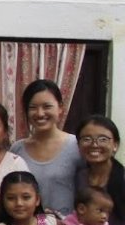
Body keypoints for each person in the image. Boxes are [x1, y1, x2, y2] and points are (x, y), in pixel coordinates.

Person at [10, 80, 81, 217]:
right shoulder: (17, 149)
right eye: (33, 107)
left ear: (60, 108)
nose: (40, 113)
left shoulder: (76, 146)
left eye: (47, 106)